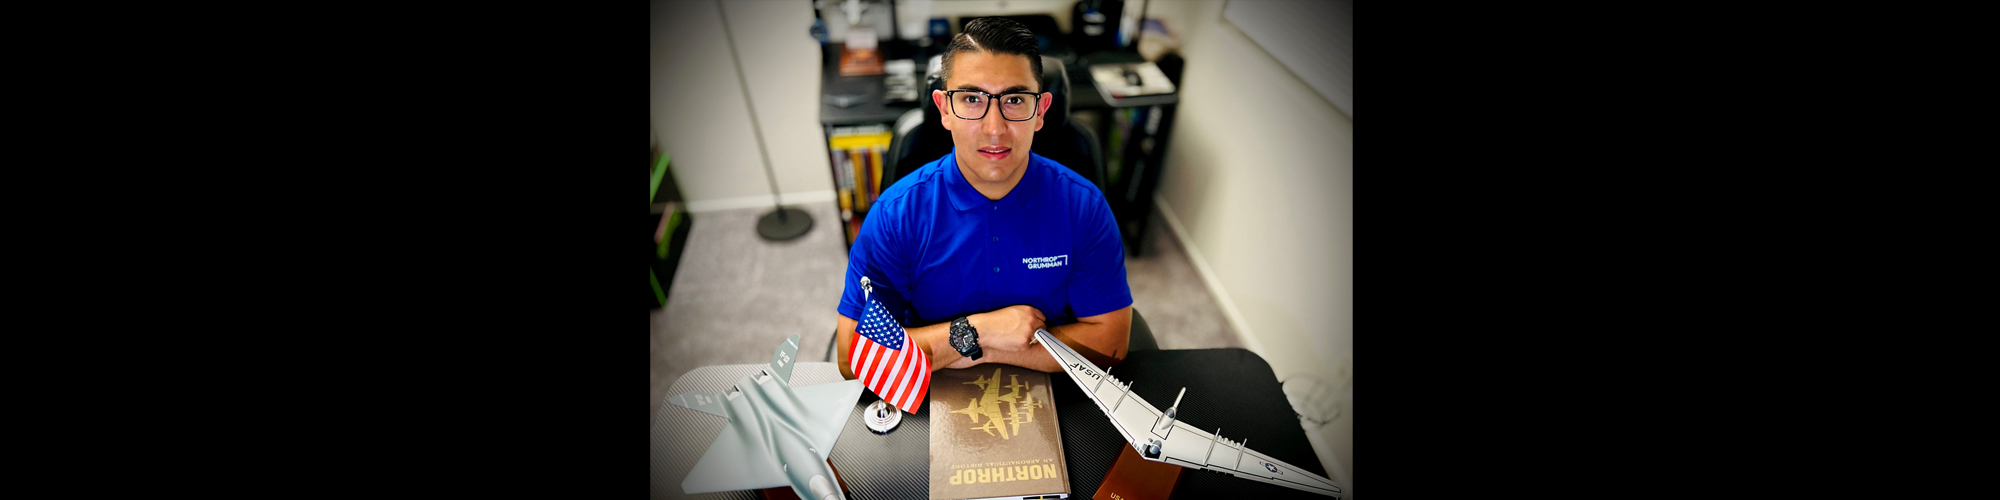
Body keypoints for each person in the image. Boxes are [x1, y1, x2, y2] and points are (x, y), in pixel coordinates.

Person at [836, 17, 1132, 380]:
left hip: (1052, 389)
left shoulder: (1085, 208)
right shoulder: (895, 216)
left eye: (1015, 99)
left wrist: (975, 349)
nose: (994, 129)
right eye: (972, 99)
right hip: (926, 395)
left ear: (1040, 111)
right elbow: (853, 356)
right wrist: (981, 331)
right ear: (944, 109)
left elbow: (1111, 343)